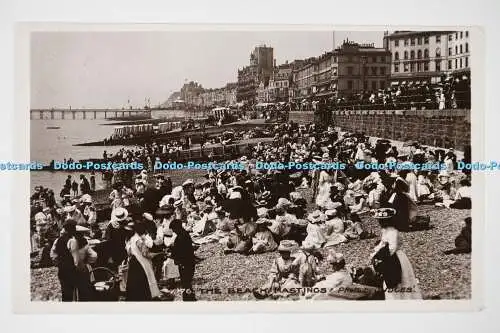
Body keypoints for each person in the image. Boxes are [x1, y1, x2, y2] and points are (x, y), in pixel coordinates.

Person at [369, 208, 422, 300]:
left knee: (398, 279)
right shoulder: (385, 231)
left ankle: (404, 298)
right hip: (388, 257)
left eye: (381, 220)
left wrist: (379, 255)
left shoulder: (393, 232)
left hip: (395, 258)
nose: (379, 222)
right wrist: (375, 252)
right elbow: (382, 243)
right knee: (390, 280)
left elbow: (392, 248)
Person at [125, 220, 162, 301]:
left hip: (133, 262)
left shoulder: (128, 240)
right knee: (145, 279)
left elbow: (129, 253)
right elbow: (146, 254)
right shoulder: (138, 240)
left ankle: (134, 297)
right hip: (141, 263)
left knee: (134, 281)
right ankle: (145, 296)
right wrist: (157, 254)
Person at [68, 225, 98, 301]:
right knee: (85, 286)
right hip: (83, 266)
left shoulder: (70, 242)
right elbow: (94, 256)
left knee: (74, 287)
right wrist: (88, 262)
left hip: (71, 267)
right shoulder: (85, 243)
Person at [169, 219, 196, 301]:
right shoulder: (184, 234)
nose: (173, 231)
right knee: (186, 283)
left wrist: (172, 254)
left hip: (185, 263)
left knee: (186, 283)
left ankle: (189, 299)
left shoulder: (181, 237)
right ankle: (189, 298)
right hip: (188, 262)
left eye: (174, 229)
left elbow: (181, 251)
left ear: (177, 228)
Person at [50, 219, 77, 301]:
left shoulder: (58, 240)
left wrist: (58, 263)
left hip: (62, 269)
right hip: (73, 269)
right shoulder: (73, 240)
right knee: (75, 290)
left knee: (65, 290)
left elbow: (53, 254)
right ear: (73, 229)